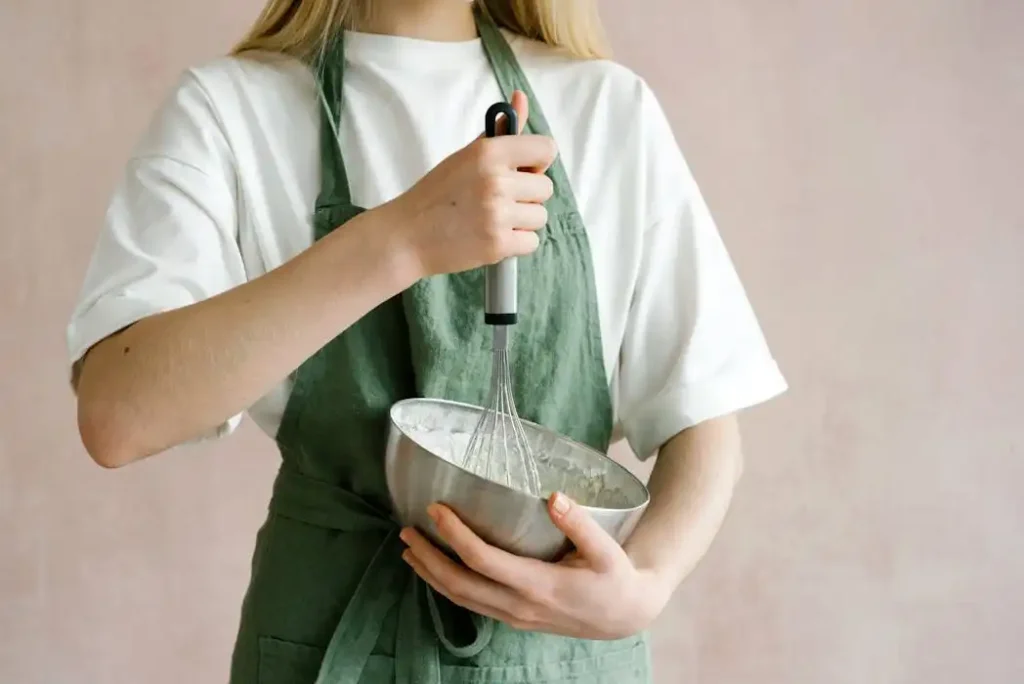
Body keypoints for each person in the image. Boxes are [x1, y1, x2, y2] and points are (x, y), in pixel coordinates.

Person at [67, 1, 787, 682]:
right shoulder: (229, 111)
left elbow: (704, 418)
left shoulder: (606, 109)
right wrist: (401, 239)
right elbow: (120, 415)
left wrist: (647, 584)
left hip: (557, 658)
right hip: (326, 641)